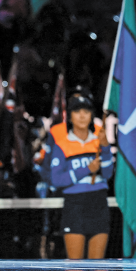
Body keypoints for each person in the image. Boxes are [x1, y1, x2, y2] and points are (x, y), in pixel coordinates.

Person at [50, 95, 113, 259]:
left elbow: (107, 174)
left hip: (98, 203)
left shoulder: (99, 142)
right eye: (77, 111)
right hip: (75, 206)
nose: (82, 115)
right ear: (69, 116)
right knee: (75, 268)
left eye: (87, 111)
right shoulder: (62, 145)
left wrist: (105, 148)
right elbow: (56, 180)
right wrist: (86, 170)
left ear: (92, 115)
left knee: (98, 269)